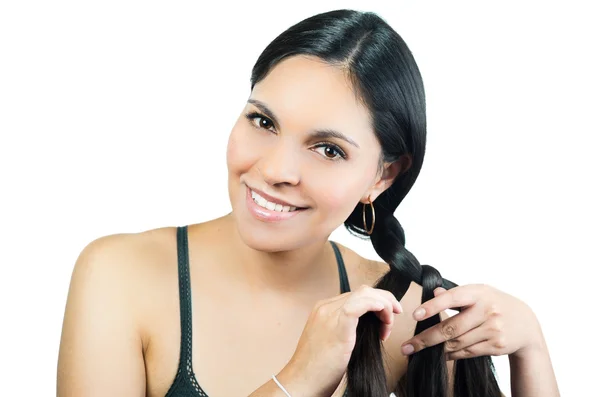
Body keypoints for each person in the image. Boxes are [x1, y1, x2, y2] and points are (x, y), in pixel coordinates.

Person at [57, 9, 559, 397]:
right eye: (263, 121)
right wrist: (296, 381)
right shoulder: (122, 275)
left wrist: (531, 349)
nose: (276, 170)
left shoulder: (404, 316)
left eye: (328, 150)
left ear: (383, 176)